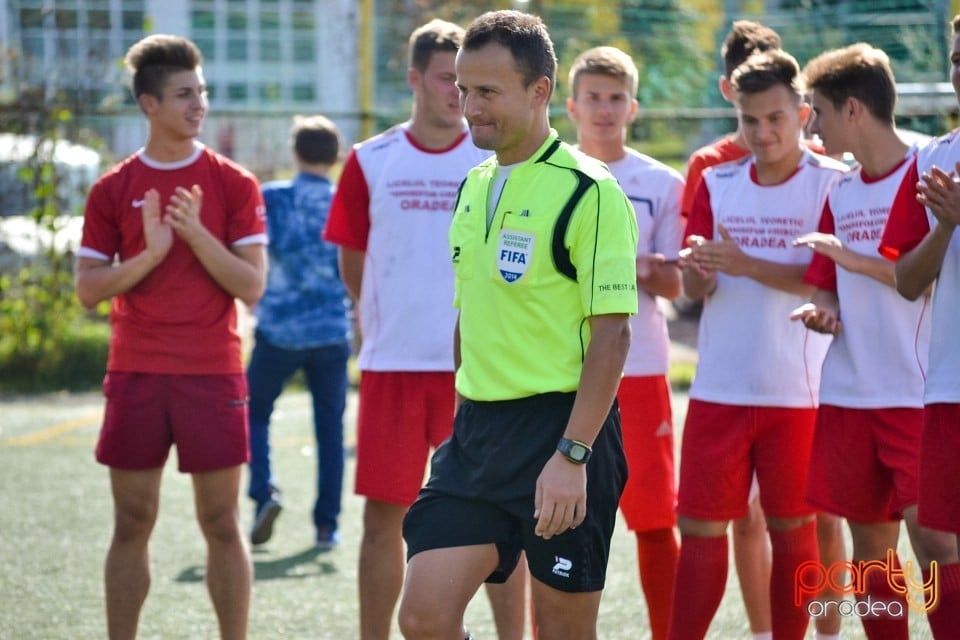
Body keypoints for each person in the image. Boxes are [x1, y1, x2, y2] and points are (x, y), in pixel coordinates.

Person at [397, 10, 639, 640]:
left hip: (562, 432)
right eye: (462, 87)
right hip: (477, 435)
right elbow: (469, 313)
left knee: (561, 633)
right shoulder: (472, 186)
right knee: (423, 617)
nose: (467, 105)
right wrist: (464, 408)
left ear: (539, 92)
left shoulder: (591, 191)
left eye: (486, 91)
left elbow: (613, 336)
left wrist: (572, 454)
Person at [322, 19, 525, 640]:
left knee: (499, 520)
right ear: (415, 79)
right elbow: (353, 261)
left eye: (468, 85)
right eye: (447, 80)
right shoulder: (370, 160)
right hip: (395, 367)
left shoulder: (497, 159)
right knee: (385, 517)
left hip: (484, 372)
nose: (459, 96)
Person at [74, 34, 266, 640]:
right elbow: (88, 288)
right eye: (185, 93)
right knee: (132, 520)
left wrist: (195, 236)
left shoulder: (234, 182)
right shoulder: (112, 188)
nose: (199, 103)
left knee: (221, 520)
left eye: (202, 91)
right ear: (148, 103)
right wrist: (150, 256)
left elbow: (252, 286)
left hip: (213, 373)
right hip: (136, 372)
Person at [669, 49, 847, 640]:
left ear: (802, 113)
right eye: (750, 120)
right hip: (718, 386)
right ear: (736, 116)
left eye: (775, 118)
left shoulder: (832, 183)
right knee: (697, 528)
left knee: (793, 526)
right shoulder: (717, 180)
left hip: (796, 392)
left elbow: (829, 282)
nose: (763, 132)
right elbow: (696, 287)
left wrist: (745, 262)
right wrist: (698, 270)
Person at [792, 42, 959, 639]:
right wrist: (822, 312)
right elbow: (829, 285)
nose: (812, 123)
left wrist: (851, 259)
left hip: (916, 393)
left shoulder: (927, 165)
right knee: (870, 554)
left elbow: (908, 278)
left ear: (854, 110)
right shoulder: (840, 190)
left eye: (818, 110)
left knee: (937, 544)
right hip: (850, 390)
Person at [566, 45, 681, 640]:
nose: (604, 110)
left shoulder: (661, 182)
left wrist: (619, 265)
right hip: (560, 372)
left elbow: (674, 278)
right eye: (593, 98)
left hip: (639, 370)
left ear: (632, 106)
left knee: (655, 520)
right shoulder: (550, 173)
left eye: (616, 98)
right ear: (571, 105)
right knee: (555, 519)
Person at [878, 14, 960, 637]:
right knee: (937, 544)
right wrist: (948, 226)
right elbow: (908, 281)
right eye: (957, 58)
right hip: (948, 387)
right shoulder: (932, 160)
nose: (959, 72)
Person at [246, 114, 351, 550]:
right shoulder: (344, 198)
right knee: (330, 430)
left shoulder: (272, 197)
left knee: (253, 413)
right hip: (330, 329)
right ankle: (326, 525)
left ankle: (264, 491)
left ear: (295, 152)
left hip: (278, 329)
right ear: (336, 156)